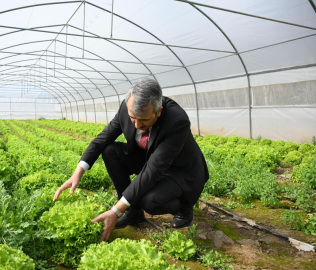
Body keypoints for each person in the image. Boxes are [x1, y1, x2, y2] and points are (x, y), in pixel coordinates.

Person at [53, 78, 209, 242]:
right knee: (110, 150)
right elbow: (102, 140)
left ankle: (184, 207)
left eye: (144, 120)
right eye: (133, 118)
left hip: (180, 170)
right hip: (150, 157)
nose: (136, 125)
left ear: (158, 112)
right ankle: (133, 211)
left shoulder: (176, 121)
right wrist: (78, 172)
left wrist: (115, 211)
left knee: (150, 201)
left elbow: (154, 170)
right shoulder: (126, 108)